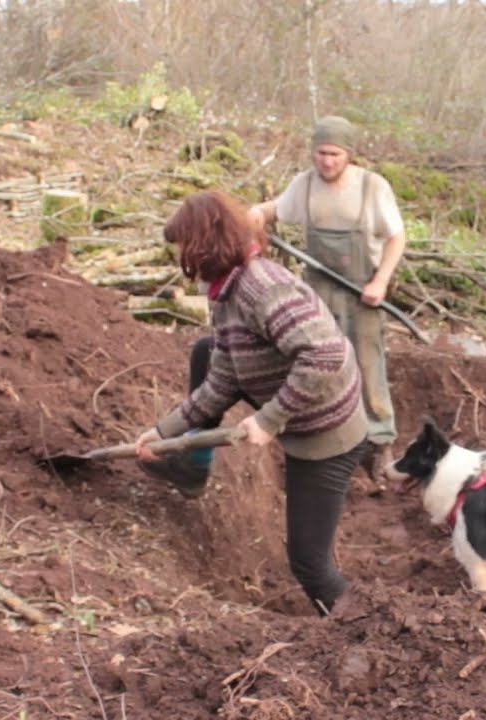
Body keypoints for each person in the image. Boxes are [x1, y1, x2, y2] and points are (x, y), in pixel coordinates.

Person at [135, 189, 368, 615]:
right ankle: (192, 465)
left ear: (203, 244)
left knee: (309, 564)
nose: (179, 261)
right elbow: (221, 380)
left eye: (181, 249)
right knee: (205, 353)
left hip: (327, 431)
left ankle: (361, 634)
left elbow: (325, 354)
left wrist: (269, 419)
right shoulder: (226, 293)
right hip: (301, 412)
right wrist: (165, 431)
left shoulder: (262, 289)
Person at [247, 115, 407, 484]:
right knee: (319, 365)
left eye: (335, 154)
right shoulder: (304, 186)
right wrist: (257, 212)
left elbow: (396, 238)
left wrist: (380, 281)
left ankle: (379, 445)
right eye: (321, 153)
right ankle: (323, 441)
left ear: (348, 154)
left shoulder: (372, 188)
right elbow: (277, 210)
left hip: (362, 292)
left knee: (368, 366)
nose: (327, 161)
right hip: (318, 293)